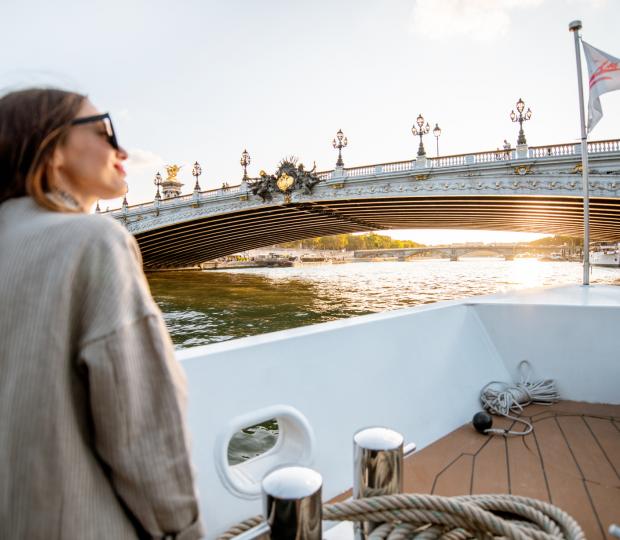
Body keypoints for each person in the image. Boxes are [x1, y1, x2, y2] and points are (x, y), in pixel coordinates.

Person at [0, 88, 204, 539]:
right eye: (105, 130)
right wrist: (184, 531)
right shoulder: (94, 242)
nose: (122, 150)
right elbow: (146, 437)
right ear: (50, 150)